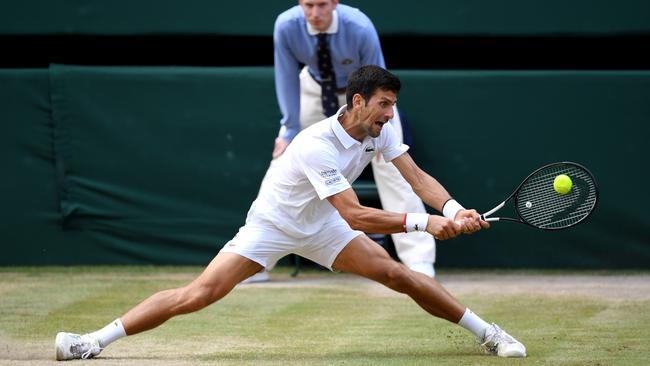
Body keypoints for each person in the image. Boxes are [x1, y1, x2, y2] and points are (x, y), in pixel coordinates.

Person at [54, 65, 526, 360]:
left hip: (321, 227)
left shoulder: (380, 130)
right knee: (199, 293)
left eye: (394, 105)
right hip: (274, 224)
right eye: (384, 105)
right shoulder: (315, 143)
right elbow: (356, 214)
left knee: (398, 275)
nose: (389, 114)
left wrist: (455, 209)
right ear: (358, 101)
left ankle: (489, 334)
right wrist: (425, 222)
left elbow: (416, 177)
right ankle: (91, 342)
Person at [259, 0, 437, 279]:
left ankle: (419, 260)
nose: (314, 13)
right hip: (313, 90)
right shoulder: (286, 25)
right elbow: (286, 76)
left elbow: (381, 83)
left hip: (365, 99)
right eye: (308, 5)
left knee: (394, 171)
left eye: (321, 5)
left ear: (334, 3)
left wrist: (377, 121)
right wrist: (289, 128)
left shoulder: (359, 26)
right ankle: (257, 259)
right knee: (282, 158)